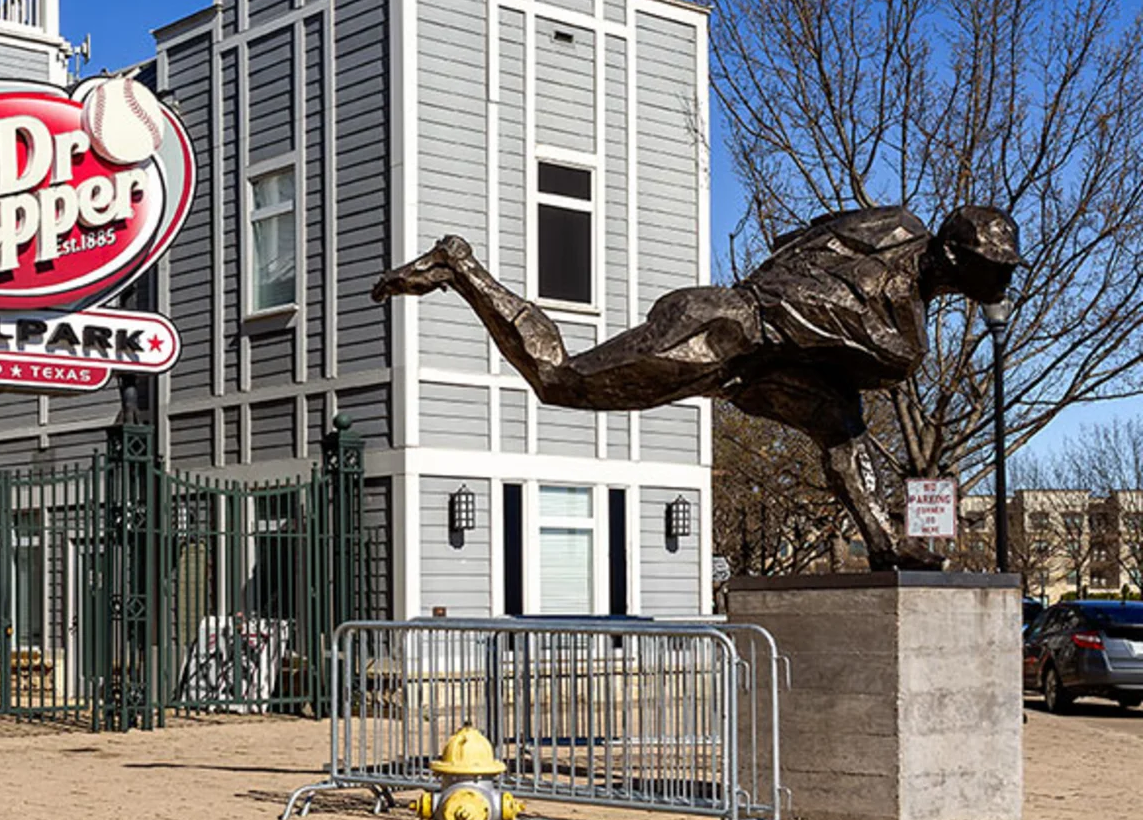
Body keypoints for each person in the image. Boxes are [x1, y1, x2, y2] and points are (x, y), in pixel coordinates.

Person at [372, 205, 1023, 571]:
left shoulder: (903, 249)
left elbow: (805, 236)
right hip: (727, 330)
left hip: (756, 366)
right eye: (999, 271)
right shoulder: (904, 311)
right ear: (959, 259)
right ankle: (461, 267)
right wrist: (774, 303)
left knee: (842, 430)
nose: (1006, 284)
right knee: (560, 381)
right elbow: (809, 258)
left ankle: (885, 547)